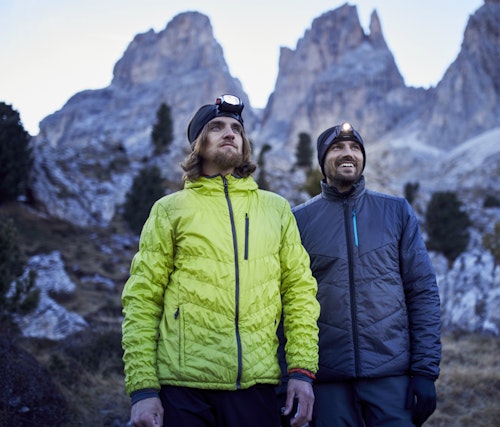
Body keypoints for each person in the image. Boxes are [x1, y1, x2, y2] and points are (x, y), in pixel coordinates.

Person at [121, 94, 319, 427]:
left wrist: (302, 371)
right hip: (183, 391)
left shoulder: (276, 209)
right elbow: (142, 300)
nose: (229, 133)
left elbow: (299, 294)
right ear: (198, 144)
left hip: (256, 388)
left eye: (236, 129)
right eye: (216, 127)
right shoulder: (169, 210)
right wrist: (143, 389)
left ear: (244, 144)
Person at [292, 122, 441, 427]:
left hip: (391, 378)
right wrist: (290, 378)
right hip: (328, 381)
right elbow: (288, 302)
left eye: (355, 148)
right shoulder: (299, 220)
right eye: (337, 147)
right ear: (323, 160)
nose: (348, 154)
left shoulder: (396, 211)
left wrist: (425, 371)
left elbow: (422, 291)